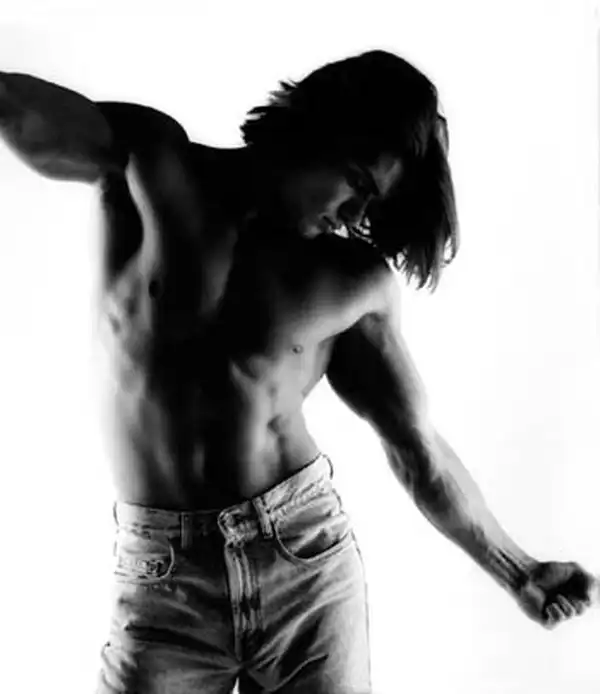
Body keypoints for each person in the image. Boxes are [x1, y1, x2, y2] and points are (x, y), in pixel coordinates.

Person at [0, 50, 596, 694]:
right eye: (357, 184)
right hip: (164, 580)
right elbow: (19, 111)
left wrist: (517, 570)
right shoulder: (154, 163)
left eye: (371, 205)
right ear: (316, 129)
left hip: (305, 567)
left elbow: (417, 448)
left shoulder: (350, 280)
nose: (355, 217)